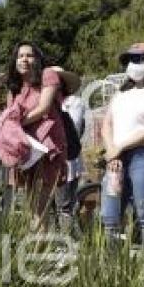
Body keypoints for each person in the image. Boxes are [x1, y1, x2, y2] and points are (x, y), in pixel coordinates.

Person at [100, 42, 144, 245]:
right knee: (110, 214)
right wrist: (112, 152)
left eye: (138, 59)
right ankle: (109, 266)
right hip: (116, 159)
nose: (133, 64)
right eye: (130, 60)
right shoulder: (120, 94)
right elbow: (106, 125)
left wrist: (119, 147)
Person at [0, 41, 68, 229]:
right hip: (27, 147)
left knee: (40, 202)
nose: (24, 59)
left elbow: (43, 108)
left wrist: (15, 124)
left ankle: (39, 250)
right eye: (20, 56)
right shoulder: (15, 87)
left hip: (47, 145)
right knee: (32, 204)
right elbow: (8, 113)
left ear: (38, 59)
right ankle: (39, 247)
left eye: (29, 55)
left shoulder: (48, 75)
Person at [55, 70, 85, 232]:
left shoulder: (74, 103)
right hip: (46, 160)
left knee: (64, 204)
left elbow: (75, 129)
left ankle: (65, 239)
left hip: (67, 159)